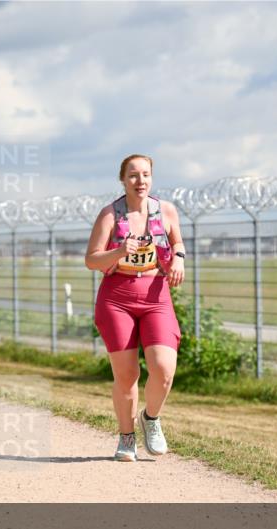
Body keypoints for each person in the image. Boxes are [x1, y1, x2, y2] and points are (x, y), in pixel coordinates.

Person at [85, 154, 186, 461]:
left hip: (156, 295)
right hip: (117, 299)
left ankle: (151, 419)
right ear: (122, 179)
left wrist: (179, 259)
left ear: (151, 178)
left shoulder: (165, 210)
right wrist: (117, 251)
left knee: (164, 369)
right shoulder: (110, 215)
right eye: (133, 175)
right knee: (127, 374)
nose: (140, 181)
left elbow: (177, 243)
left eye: (145, 175)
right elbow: (91, 259)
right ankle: (126, 437)